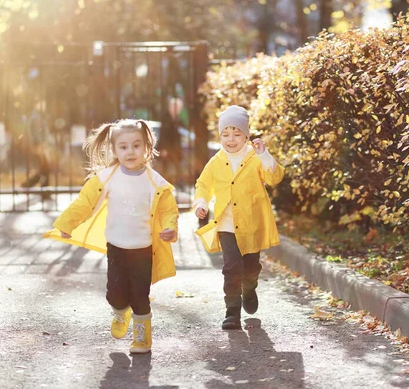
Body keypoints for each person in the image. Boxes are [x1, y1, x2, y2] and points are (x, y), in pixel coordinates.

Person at [43, 119, 179, 354]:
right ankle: (119, 311)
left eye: (137, 145)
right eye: (123, 147)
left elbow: (168, 210)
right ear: (114, 150)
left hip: (143, 248)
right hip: (116, 246)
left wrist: (169, 228)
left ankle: (142, 337)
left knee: (140, 295)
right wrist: (68, 224)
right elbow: (85, 202)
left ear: (146, 148)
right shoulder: (107, 177)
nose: (130, 151)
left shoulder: (154, 182)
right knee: (115, 295)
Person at [193, 105, 284, 330]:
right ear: (220, 136)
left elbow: (275, 178)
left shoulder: (254, 158)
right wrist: (201, 203)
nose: (231, 139)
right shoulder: (216, 161)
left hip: (251, 224)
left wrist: (264, 154)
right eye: (225, 134)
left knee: (251, 267)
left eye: (236, 134)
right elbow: (203, 185)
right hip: (226, 224)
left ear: (246, 135)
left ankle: (249, 287)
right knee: (231, 267)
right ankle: (232, 312)